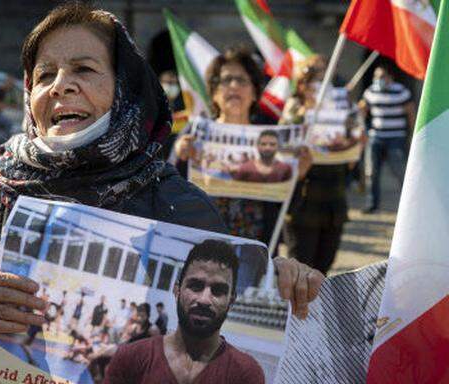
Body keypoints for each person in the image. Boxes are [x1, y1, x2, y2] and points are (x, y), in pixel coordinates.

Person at [0, 4, 323, 383]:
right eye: (44, 74)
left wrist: (277, 288)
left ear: (125, 88)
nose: (60, 86)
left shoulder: (182, 207)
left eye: (84, 69)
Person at [174, 47, 311, 247]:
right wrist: (180, 158)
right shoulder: (195, 135)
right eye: (226, 80)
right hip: (201, 249)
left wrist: (298, 175)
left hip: (256, 251)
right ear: (214, 93)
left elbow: (287, 209)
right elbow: (175, 196)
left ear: (254, 93)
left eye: (242, 80)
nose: (234, 86)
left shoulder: (272, 140)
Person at [104, 239, 265, 384]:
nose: (204, 299)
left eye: (218, 290)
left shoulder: (246, 374)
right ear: (177, 290)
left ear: (231, 300)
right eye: (195, 285)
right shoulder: (131, 358)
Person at [280, 56, 350, 275]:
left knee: (323, 268)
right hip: (304, 204)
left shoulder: (340, 112)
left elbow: (349, 162)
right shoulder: (294, 111)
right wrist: (302, 120)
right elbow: (282, 152)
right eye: (316, 78)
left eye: (325, 76)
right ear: (302, 84)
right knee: (301, 269)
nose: (322, 82)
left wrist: (356, 140)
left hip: (333, 201)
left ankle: (318, 310)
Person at [359, 64, 414, 213]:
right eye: (376, 76)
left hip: (396, 137)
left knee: (399, 170)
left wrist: (412, 132)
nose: (378, 79)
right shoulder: (371, 91)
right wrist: (362, 126)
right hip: (376, 136)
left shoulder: (401, 91)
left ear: (390, 77)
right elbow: (363, 110)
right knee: (371, 172)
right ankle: (372, 203)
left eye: (382, 76)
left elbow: (410, 112)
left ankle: (409, 205)